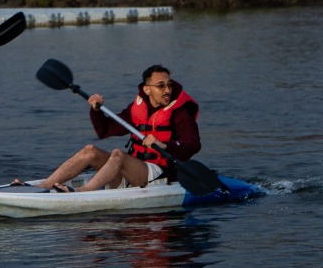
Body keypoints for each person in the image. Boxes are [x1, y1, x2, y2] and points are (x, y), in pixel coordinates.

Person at [35, 65, 200, 192]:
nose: (167, 90)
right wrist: (96, 111)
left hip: (160, 175)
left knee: (118, 155)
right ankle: (42, 187)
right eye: (161, 86)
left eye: (169, 85)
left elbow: (193, 145)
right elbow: (105, 129)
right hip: (131, 173)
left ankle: (81, 193)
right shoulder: (136, 109)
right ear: (146, 89)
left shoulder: (180, 113)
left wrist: (166, 145)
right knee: (90, 150)